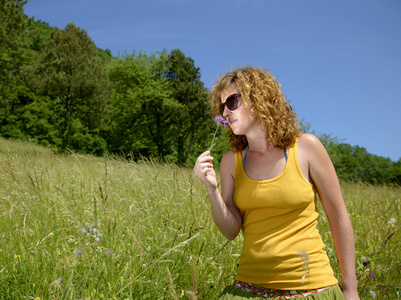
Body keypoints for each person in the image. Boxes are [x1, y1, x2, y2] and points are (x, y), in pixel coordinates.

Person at [193, 67, 360, 299]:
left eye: (231, 102)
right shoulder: (231, 162)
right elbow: (230, 230)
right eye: (222, 106)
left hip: (310, 289)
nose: (226, 112)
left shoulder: (306, 148)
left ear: (259, 98)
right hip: (248, 290)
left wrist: (350, 289)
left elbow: (338, 215)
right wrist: (212, 190)